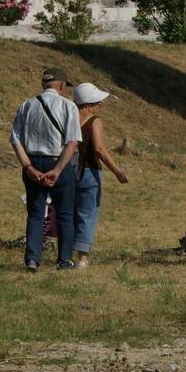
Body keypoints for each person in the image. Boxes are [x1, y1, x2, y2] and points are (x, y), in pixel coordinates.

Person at [10, 67, 83, 272]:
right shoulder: (68, 106)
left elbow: (15, 140)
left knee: (35, 213)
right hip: (59, 162)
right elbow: (72, 142)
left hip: (33, 162)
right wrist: (57, 170)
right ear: (61, 85)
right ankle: (64, 260)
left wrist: (28, 167)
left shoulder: (27, 105)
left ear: (44, 84)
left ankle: (32, 260)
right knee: (65, 213)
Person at [71, 82, 129, 269]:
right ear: (88, 104)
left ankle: (65, 254)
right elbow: (99, 149)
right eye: (96, 102)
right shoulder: (94, 121)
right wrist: (117, 171)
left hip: (68, 171)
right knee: (87, 215)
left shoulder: (68, 117)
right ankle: (82, 258)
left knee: (69, 213)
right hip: (89, 172)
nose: (99, 105)